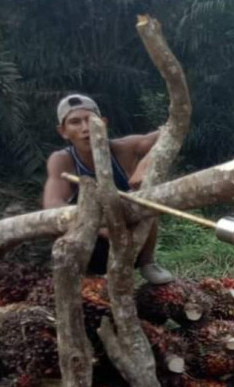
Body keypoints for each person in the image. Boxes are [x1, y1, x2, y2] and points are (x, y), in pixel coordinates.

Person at [42, 93, 174, 284]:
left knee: (146, 199)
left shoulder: (124, 149)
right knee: (60, 229)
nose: (85, 128)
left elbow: (171, 130)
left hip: (132, 240)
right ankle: (85, 278)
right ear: (63, 131)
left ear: (103, 123)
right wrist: (101, 227)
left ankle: (147, 263)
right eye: (75, 122)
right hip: (91, 243)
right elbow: (52, 205)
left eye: (90, 120)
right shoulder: (62, 160)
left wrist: (146, 162)